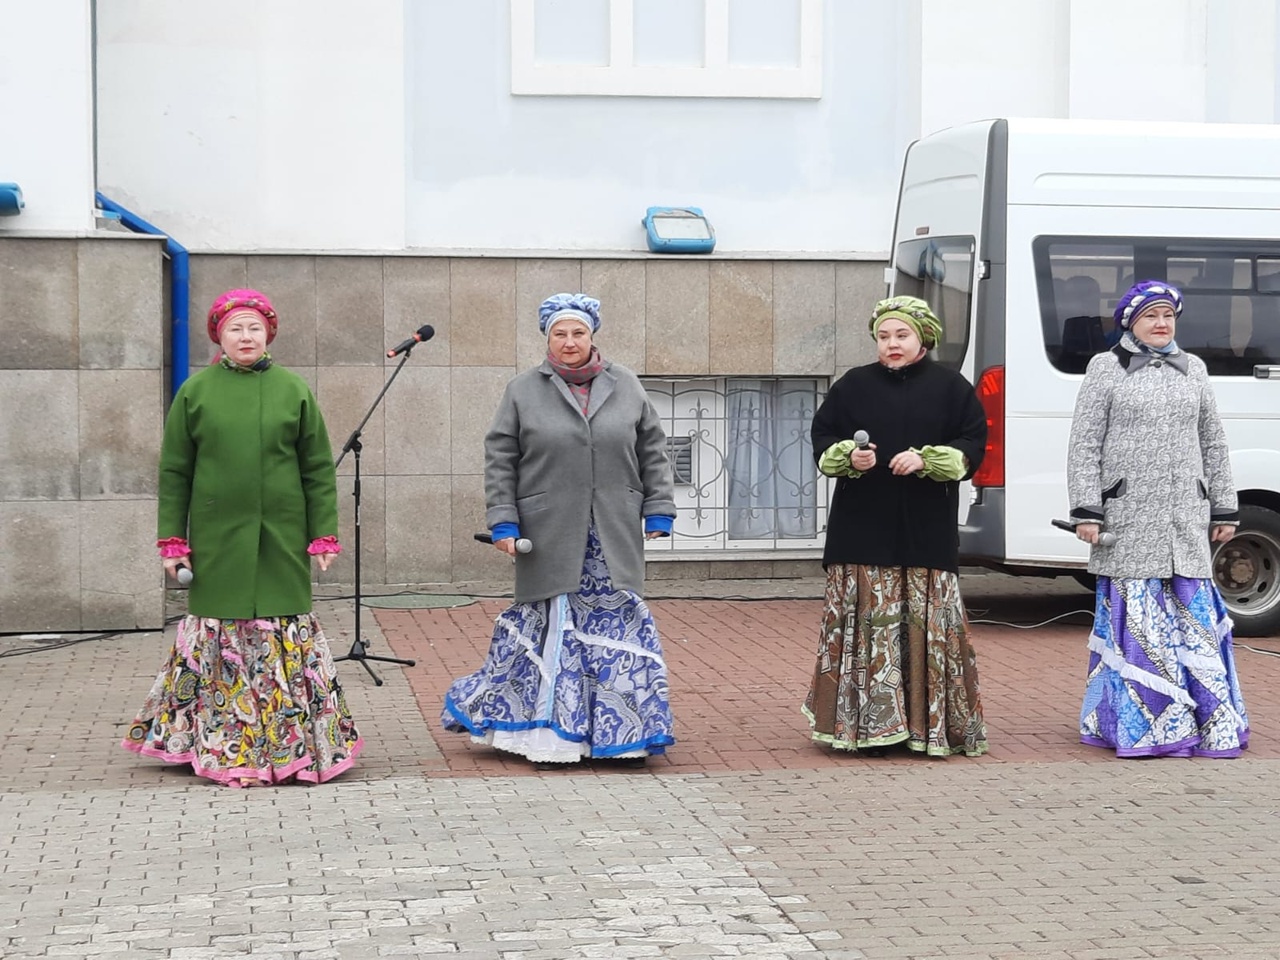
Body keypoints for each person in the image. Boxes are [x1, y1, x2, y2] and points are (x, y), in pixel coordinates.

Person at [121, 288, 363, 786]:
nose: (246, 336)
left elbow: (317, 468)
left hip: (281, 535)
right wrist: (173, 540)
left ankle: (295, 747)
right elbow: (174, 471)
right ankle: (228, 750)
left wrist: (323, 535)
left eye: (254, 327)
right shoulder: (195, 392)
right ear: (220, 336)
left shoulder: (293, 390)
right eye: (236, 328)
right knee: (221, 636)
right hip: (217, 538)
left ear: (268, 333)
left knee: (281, 634)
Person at [442, 293, 677, 766]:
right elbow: (500, 459)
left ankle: (622, 734)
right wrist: (503, 519)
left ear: (593, 335)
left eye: (578, 333)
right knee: (555, 629)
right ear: (547, 337)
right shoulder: (523, 390)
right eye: (559, 333)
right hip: (548, 533)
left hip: (612, 530)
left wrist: (658, 508)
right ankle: (552, 737)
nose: (569, 342)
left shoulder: (625, 384)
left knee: (620, 626)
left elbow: (652, 449)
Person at [1068, 280, 1248, 758]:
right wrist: (1087, 508)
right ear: (1131, 322)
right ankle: (1145, 727)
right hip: (1128, 519)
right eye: (1151, 316)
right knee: (1141, 627)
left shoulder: (1194, 368)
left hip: (1184, 518)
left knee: (1192, 623)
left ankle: (1207, 723)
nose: (1161, 324)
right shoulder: (1106, 368)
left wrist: (1223, 504)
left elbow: (1212, 440)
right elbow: (1085, 442)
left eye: (1168, 316)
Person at [806, 295, 988, 757]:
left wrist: (927, 459)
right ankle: (864, 727)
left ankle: (929, 727)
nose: (891, 344)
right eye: (884, 336)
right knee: (868, 627)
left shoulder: (952, 388)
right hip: (862, 530)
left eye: (901, 335)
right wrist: (851, 455)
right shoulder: (853, 385)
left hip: (925, 534)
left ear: (923, 338)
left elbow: (971, 446)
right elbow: (823, 437)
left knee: (927, 628)